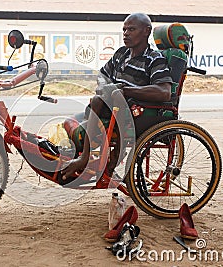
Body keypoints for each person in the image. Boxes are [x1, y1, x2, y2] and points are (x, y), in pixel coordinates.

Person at [61, 13, 173, 180]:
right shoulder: (121, 53)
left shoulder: (154, 59)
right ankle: (79, 160)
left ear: (146, 31)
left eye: (131, 29)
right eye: (124, 29)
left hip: (135, 112)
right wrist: (104, 86)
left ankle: (84, 159)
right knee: (70, 122)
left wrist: (125, 90)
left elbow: (164, 92)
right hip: (110, 107)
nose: (126, 33)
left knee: (99, 100)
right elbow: (102, 74)